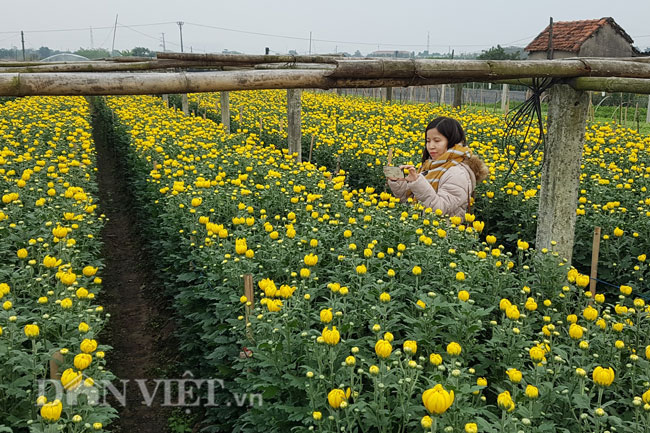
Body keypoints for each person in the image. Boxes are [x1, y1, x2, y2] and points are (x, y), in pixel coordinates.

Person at [387, 116, 488, 219]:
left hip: (444, 232)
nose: (431, 146)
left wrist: (417, 182)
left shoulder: (457, 173)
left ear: (452, 141)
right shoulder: (430, 166)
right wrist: (398, 182)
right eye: (428, 141)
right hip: (420, 228)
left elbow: (440, 209)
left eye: (437, 141)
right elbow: (410, 201)